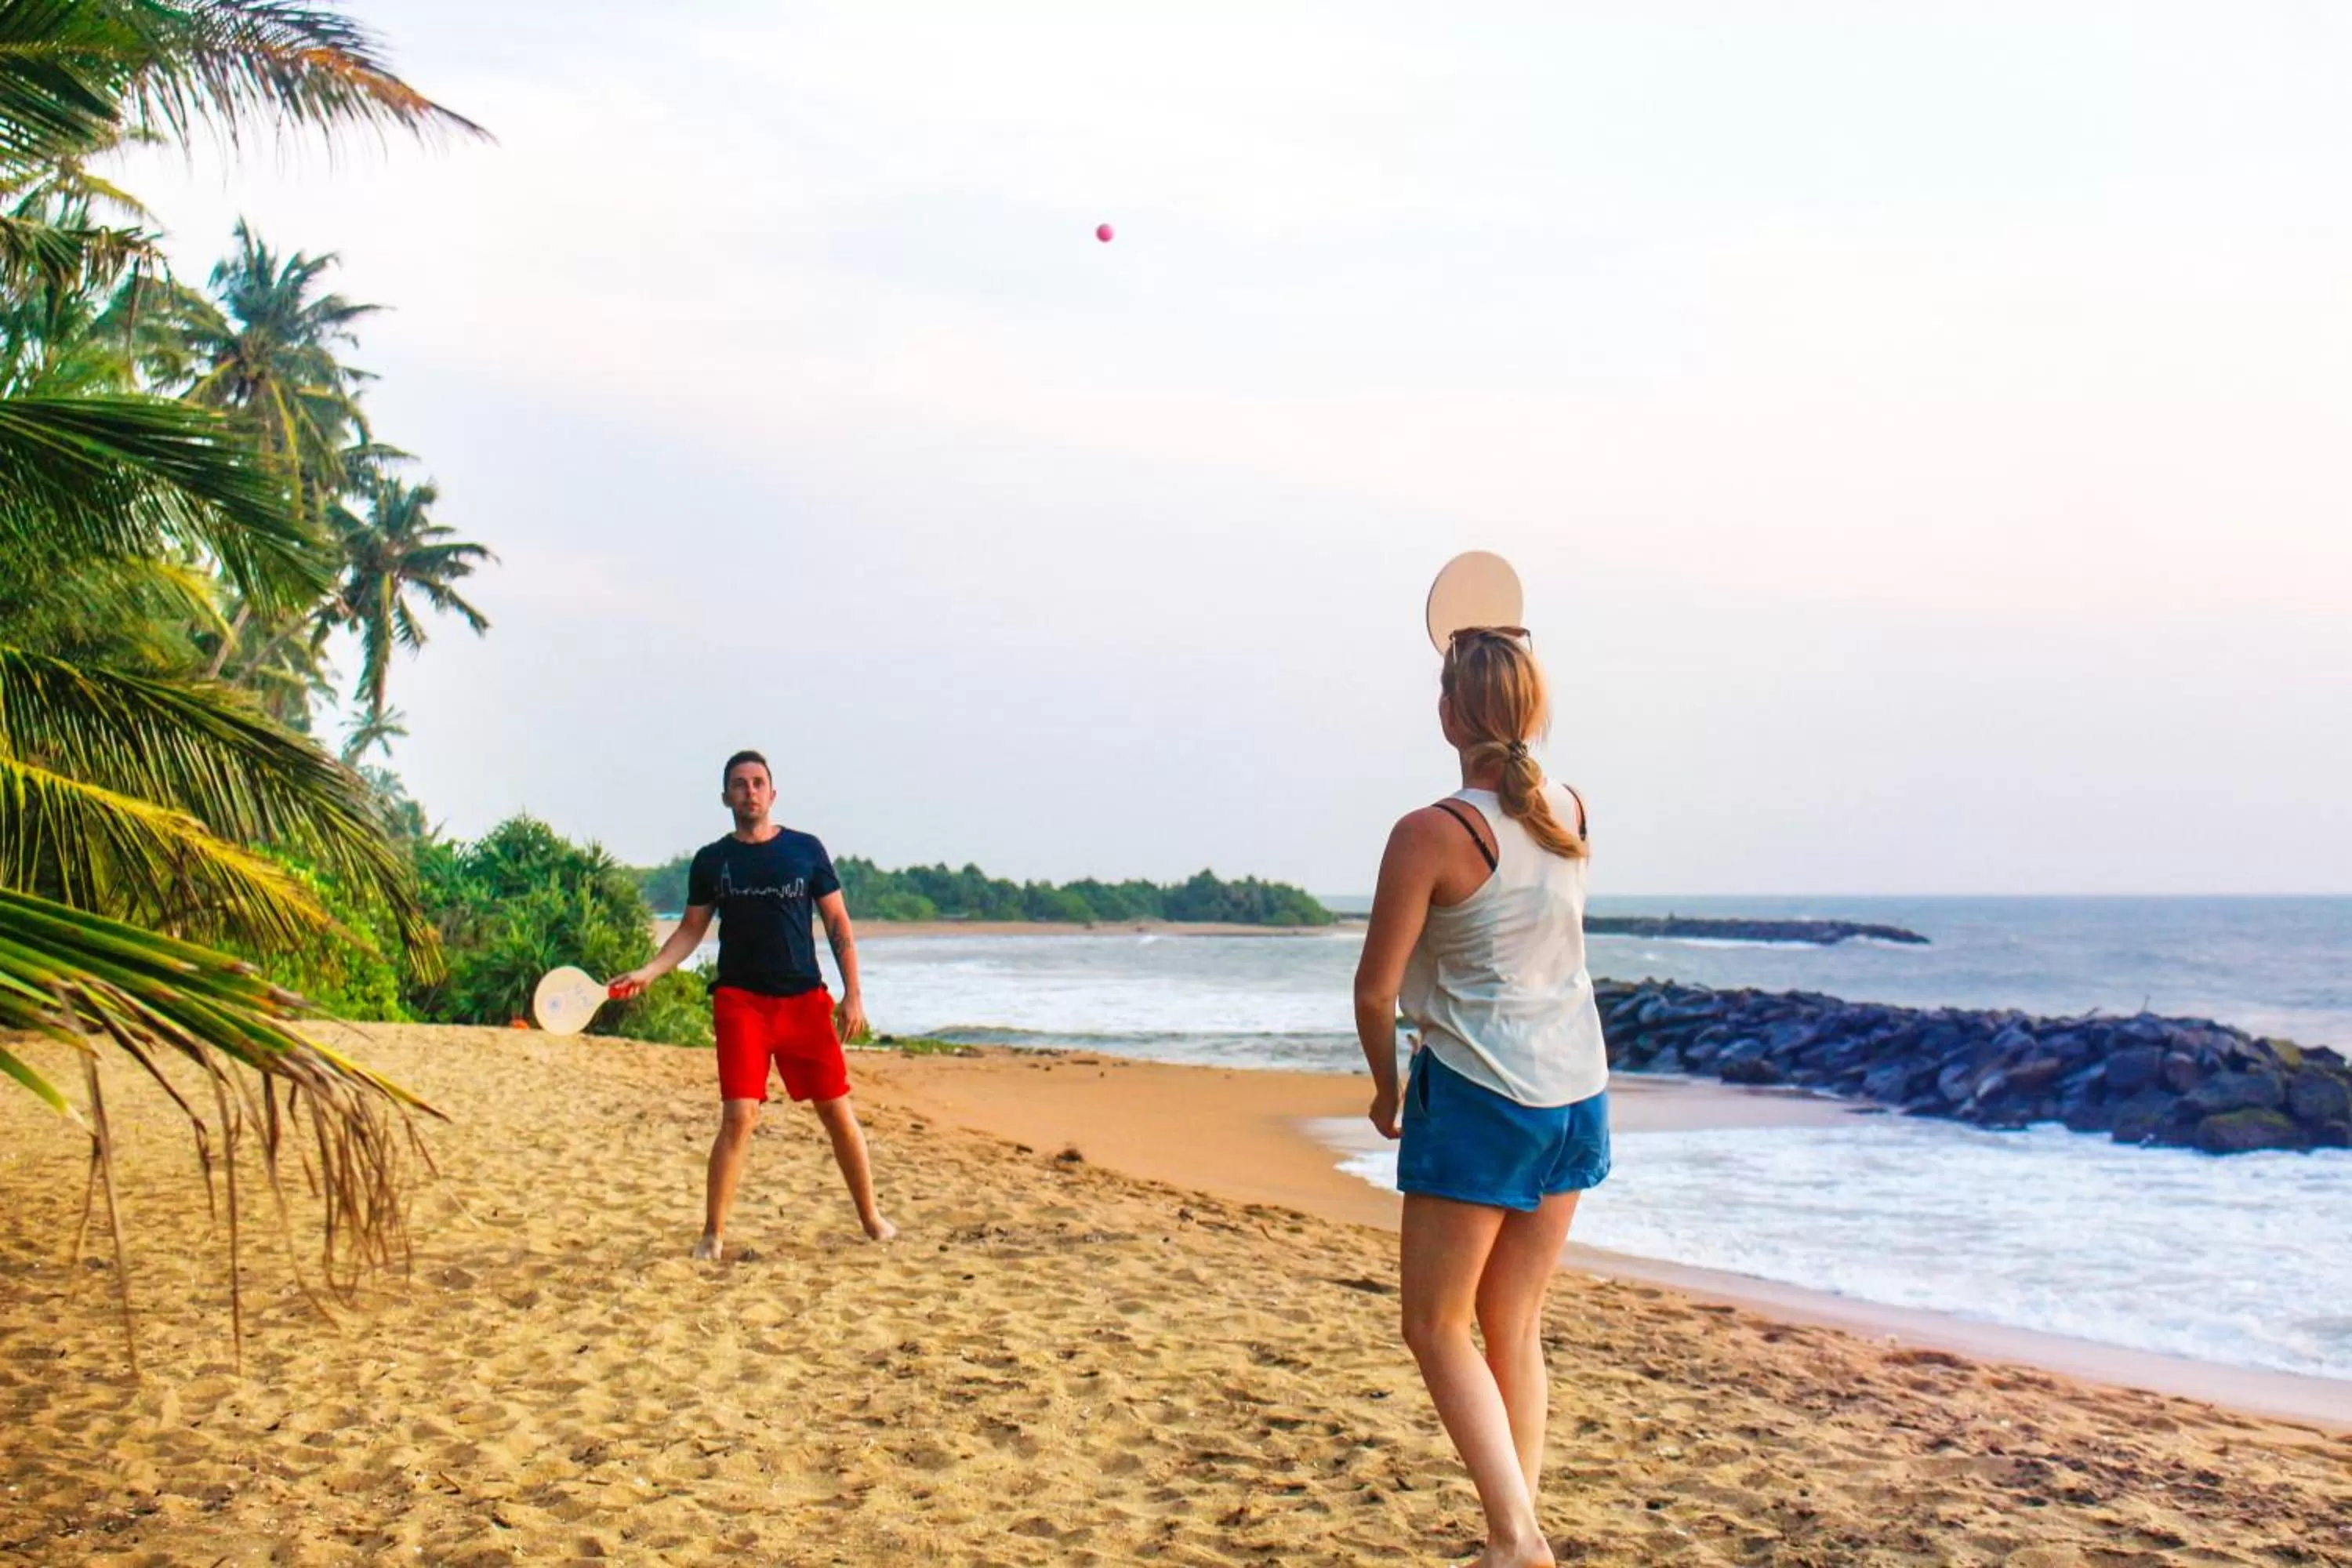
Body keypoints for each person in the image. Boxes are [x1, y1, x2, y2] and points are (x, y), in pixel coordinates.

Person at [1350, 626, 1609, 1568]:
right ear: (1534, 708)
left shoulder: (1431, 832)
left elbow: (1376, 990)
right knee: (1514, 1320)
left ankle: (1513, 1538)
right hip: (1577, 1089)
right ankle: (1520, 1531)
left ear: (1449, 712)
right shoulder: (1571, 807)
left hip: (1484, 1092)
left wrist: (1386, 1089)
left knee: (1435, 1324)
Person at [612, 750, 896, 1257]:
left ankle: (872, 1219)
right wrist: (649, 971)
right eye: (739, 784)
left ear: (773, 793)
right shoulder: (713, 860)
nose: (750, 791)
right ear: (726, 796)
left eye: (758, 782)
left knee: (836, 1110)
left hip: (805, 1000)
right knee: (738, 1117)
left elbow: (837, 924)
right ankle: (712, 1235)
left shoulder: (805, 850)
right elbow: (691, 930)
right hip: (741, 1002)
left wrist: (854, 994)